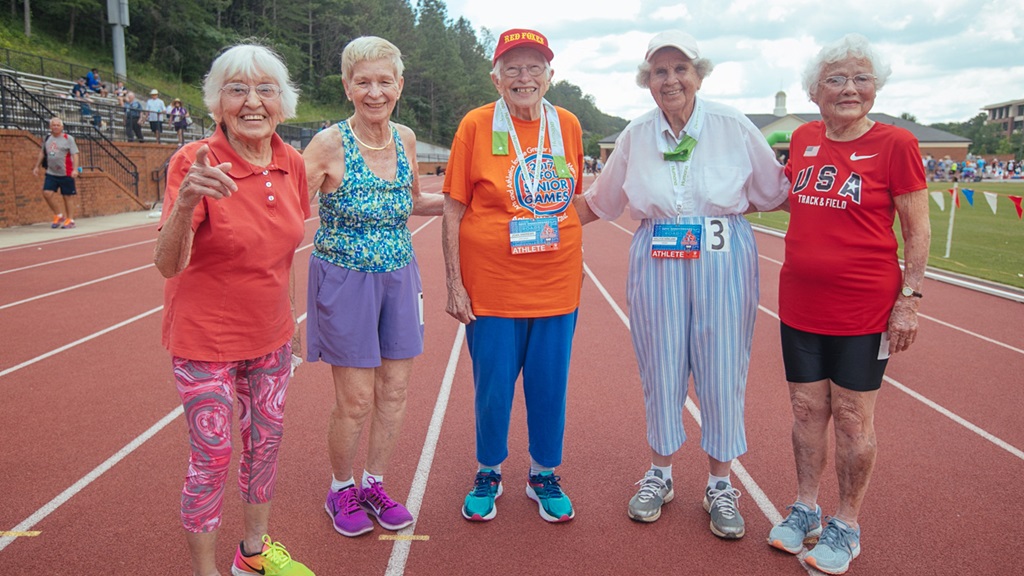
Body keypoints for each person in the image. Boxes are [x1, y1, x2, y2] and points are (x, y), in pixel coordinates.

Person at [574, 31, 788, 539]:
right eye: (659, 71)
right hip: (657, 258)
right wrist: (527, 224)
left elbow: (773, 191)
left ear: (699, 74)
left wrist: (723, 214)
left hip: (723, 257)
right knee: (661, 367)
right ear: (647, 81)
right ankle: (661, 475)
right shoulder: (634, 134)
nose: (670, 80)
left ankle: (719, 484)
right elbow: (600, 202)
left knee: (722, 370)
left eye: (680, 69)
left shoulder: (732, 124)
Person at [766, 34, 930, 575]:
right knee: (806, 410)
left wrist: (909, 298)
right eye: (836, 79)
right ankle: (806, 508)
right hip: (799, 305)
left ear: (876, 87)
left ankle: (847, 524)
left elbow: (917, 228)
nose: (849, 89)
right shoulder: (805, 136)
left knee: (854, 420)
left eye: (861, 78)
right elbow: (784, 197)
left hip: (863, 309)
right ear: (814, 91)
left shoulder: (897, 144)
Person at [153, 43, 315, 576]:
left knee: (265, 447)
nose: (252, 102)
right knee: (212, 459)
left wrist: (289, 322)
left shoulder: (291, 163)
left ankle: (253, 555)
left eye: (265, 89)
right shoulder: (193, 162)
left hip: (268, 339)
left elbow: (282, 255)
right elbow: (168, 265)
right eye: (237, 89)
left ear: (282, 101)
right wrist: (182, 205)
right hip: (206, 344)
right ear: (217, 102)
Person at [442, 28, 585, 524]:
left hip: (557, 285)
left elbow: (570, 198)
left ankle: (544, 473)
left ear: (550, 75)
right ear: (496, 77)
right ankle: (489, 470)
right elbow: (453, 209)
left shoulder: (567, 123)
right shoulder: (476, 125)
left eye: (534, 67)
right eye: (513, 68)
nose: (524, 77)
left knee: (550, 387)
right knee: (493, 389)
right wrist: (455, 284)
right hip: (493, 288)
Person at [303, 36, 442, 539]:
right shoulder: (328, 145)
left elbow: (414, 203)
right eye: (364, 82)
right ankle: (340, 487)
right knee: (356, 399)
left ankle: (374, 484)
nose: (375, 92)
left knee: (396, 389)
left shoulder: (404, 138)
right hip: (344, 279)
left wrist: (475, 203)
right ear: (347, 87)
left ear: (400, 85)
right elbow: (285, 207)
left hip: (400, 275)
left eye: (385, 81)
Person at [32, 117, 80, 229]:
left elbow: (75, 154)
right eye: (54, 125)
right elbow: (42, 153)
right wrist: (36, 166)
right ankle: (58, 215)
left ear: (62, 127)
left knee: (67, 196)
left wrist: (75, 169)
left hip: (66, 172)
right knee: (47, 193)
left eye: (58, 125)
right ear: (50, 127)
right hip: (51, 172)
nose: (56, 127)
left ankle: (70, 219)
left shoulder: (68, 139)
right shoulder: (47, 138)